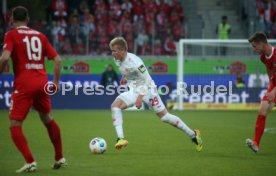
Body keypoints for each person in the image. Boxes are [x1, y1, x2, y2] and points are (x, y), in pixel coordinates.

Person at [0, 6, 67, 172]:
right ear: (28, 19)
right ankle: (60, 157)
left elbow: (5, 57)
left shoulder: (11, 34)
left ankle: (30, 161)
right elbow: (58, 60)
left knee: (15, 124)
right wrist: (56, 83)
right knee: (47, 118)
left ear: (11, 20)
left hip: (24, 84)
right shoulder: (40, 36)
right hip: (42, 83)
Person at [109, 37, 203, 151]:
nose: (112, 53)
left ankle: (193, 135)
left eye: (114, 51)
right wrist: (125, 77)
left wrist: (140, 97)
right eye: (112, 51)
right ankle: (120, 139)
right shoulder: (117, 59)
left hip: (149, 90)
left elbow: (148, 80)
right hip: (134, 90)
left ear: (123, 50)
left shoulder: (135, 62)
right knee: (115, 106)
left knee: (165, 117)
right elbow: (126, 70)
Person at [246, 32, 276, 153]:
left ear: (262, 43)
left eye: (254, 46)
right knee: (262, 110)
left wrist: (274, 91)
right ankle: (256, 143)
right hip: (274, 86)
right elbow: (269, 69)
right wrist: (271, 86)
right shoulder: (263, 57)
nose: (254, 49)